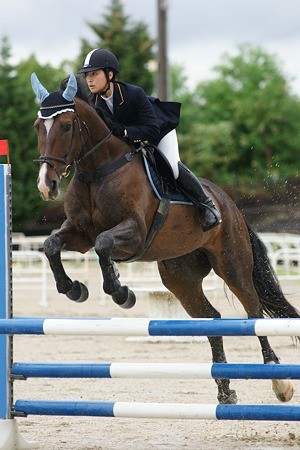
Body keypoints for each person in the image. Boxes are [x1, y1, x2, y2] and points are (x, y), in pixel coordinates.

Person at [78, 48, 221, 231]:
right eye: (87, 75)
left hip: (159, 132)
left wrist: (125, 132)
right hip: (130, 142)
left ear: (110, 74)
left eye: (94, 74)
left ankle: (207, 205)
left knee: (172, 167)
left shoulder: (133, 94)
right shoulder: (93, 102)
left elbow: (151, 129)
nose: (89, 80)